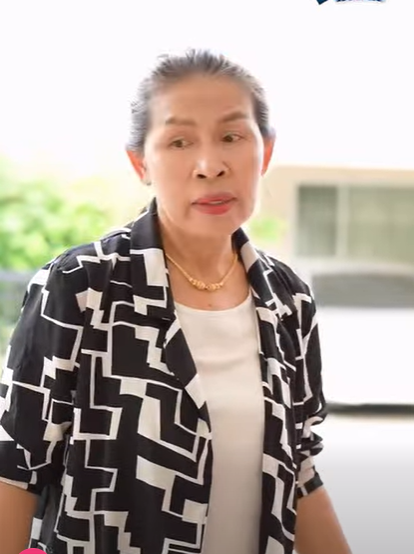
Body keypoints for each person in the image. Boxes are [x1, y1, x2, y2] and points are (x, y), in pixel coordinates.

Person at [0, 49, 352, 554]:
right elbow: (16, 469)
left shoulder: (288, 299)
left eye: (231, 137)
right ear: (141, 162)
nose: (210, 166)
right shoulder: (81, 285)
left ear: (265, 152)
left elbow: (299, 469)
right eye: (179, 142)